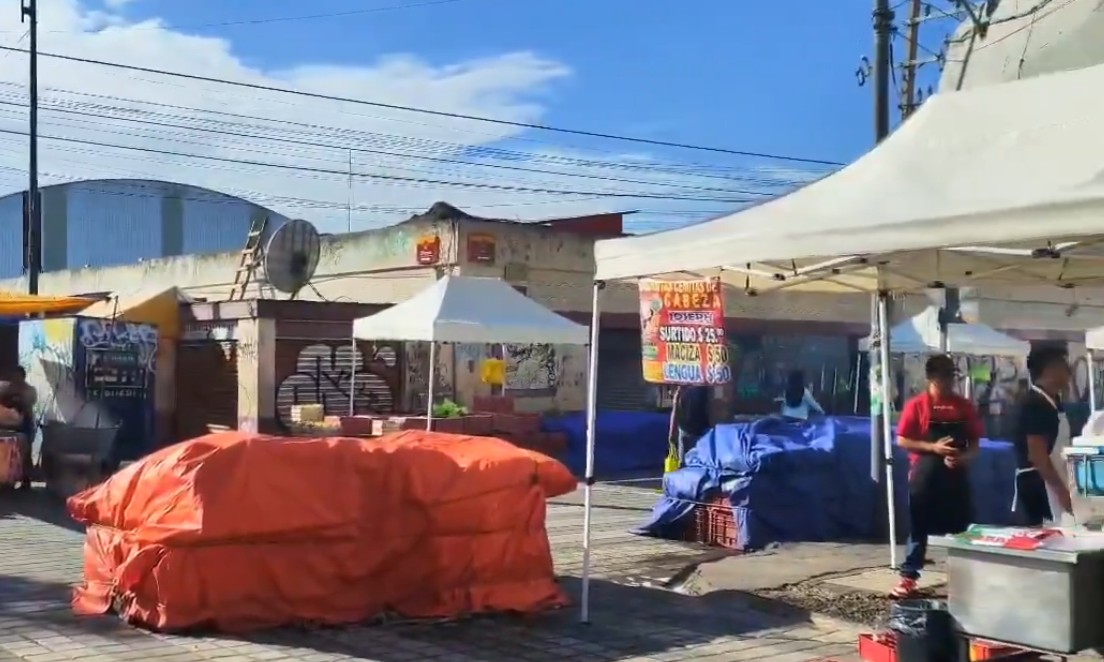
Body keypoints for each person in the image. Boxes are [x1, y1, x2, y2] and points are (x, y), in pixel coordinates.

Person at [891, 354, 983, 598]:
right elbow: (901, 439)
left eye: (950, 376)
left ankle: (965, 577)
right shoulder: (917, 405)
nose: (947, 381)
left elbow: (975, 443)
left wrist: (963, 457)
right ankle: (909, 577)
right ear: (930, 377)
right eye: (942, 376)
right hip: (924, 476)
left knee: (963, 527)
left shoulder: (964, 406)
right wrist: (934, 448)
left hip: (956, 476)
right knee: (919, 527)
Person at [1011, 346, 1073, 527]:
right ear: (1050, 370)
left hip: (1054, 478)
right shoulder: (1034, 404)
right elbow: (1037, 455)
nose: (1069, 371)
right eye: (1064, 366)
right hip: (1039, 485)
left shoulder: (1053, 401)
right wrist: (1061, 492)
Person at [1, 367, 36, 490]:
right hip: (8, 424)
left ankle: (26, 480)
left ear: (23, 377)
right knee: (9, 455)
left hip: (25, 425)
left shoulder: (29, 390)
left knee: (25, 454)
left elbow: (30, 403)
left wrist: (19, 396)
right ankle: (8, 481)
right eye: (13, 376)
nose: (15, 378)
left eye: (17, 376)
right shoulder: (6, 388)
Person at [675, 384, 712, 461]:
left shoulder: (684, 392)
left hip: (684, 424)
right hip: (698, 426)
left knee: (682, 446)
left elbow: (679, 408)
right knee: (697, 448)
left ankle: (681, 464)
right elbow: (705, 409)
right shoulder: (702, 392)